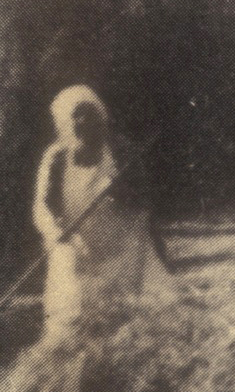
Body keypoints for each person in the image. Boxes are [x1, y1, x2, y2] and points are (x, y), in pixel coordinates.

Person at [32, 85, 171, 338]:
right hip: (78, 250)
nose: (82, 122)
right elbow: (44, 207)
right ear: (65, 123)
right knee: (77, 322)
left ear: (102, 118)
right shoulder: (56, 158)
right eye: (75, 116)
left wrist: (122, 193)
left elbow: (145, 200)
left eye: (89, 114)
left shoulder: (121, 151)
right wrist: (58, 230)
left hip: (125, 247)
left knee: (140, 317)